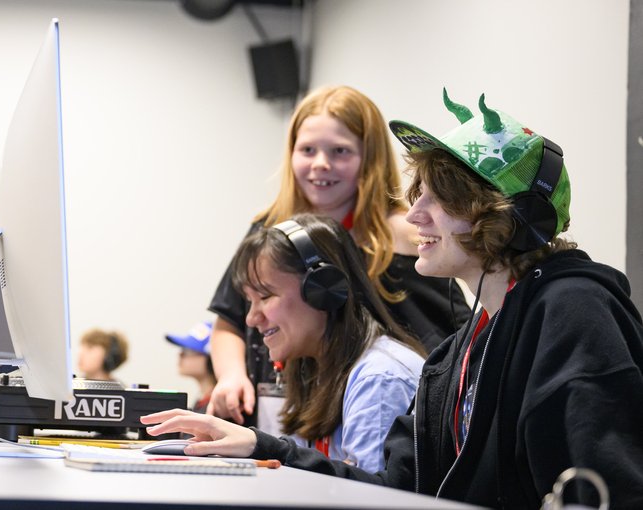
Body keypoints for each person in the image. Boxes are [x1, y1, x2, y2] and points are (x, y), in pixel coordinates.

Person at [142, 90, 643, 509]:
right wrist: (258, 447)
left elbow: (608, 489)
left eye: (438, 200)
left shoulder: (573, 311)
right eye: (416, 194)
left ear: (511, 216)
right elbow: (396, 491)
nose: (415, 214)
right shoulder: (456, 356)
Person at [208, 85, 471, 425]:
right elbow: (228, 322)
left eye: (340, 151)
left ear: (370, 158)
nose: (321, 164)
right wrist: (231, 376)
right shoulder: (268, 229)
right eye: (307, 150)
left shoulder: (403, 236)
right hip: (278, 416)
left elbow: (452, 333)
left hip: (364, 419)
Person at [225, 213, 425, 471]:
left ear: (322, 290)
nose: (252, 318)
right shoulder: (314, 369)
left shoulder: (379, 379)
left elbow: (371, 500)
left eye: (265, 296)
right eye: (249, 301)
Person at [165, 322, 217, 414]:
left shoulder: (221, 407)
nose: (180, 355)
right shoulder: (202, 401)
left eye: (188, 350)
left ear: (211, 359)